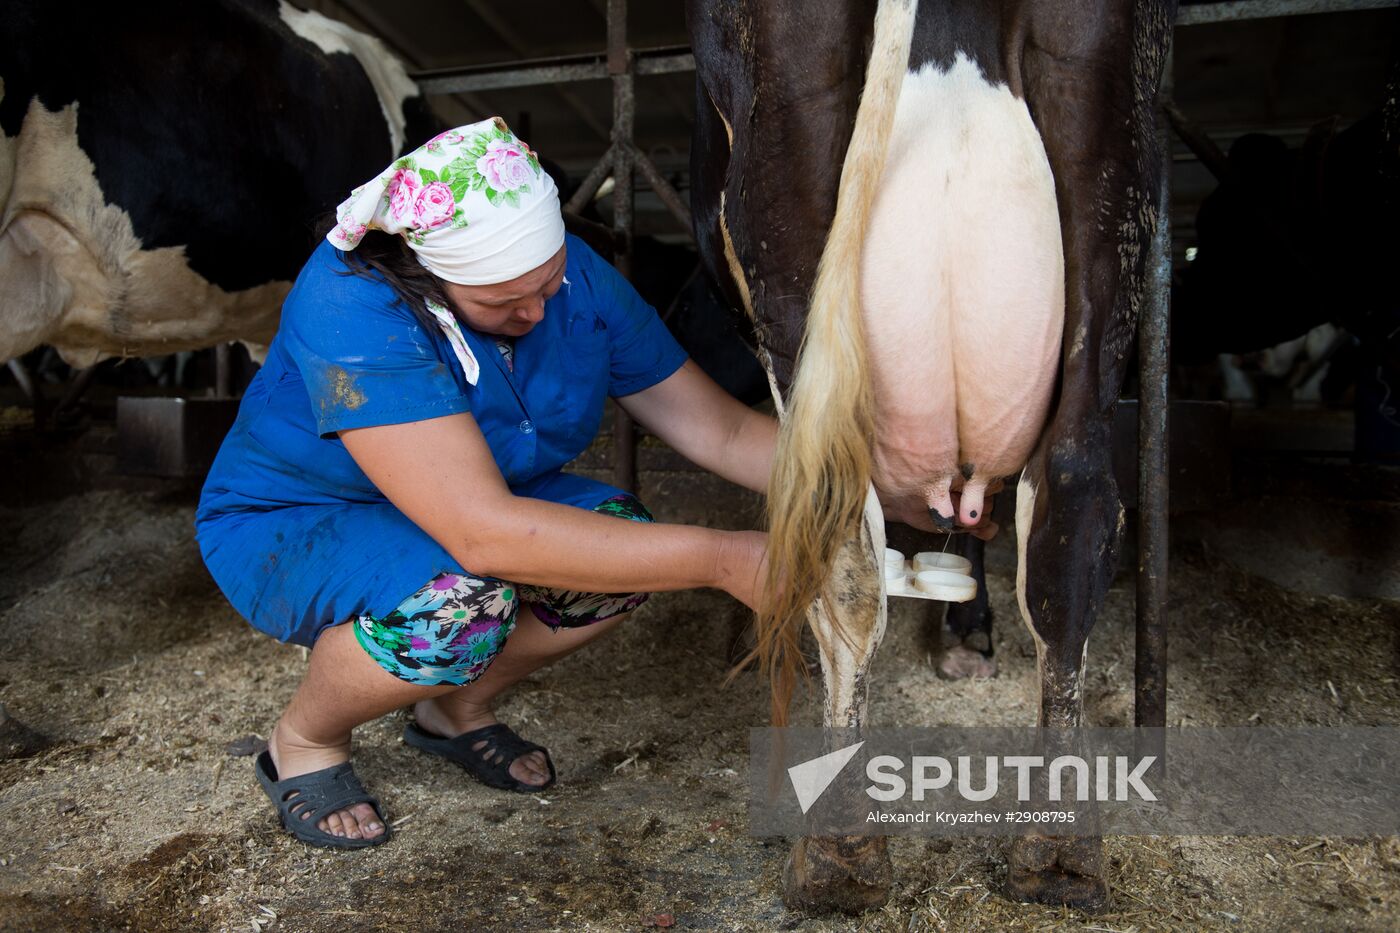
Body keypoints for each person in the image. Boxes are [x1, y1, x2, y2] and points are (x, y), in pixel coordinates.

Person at [195, 118, 776, 849]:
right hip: (308, 514)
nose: (538, 312)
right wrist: (729, 559)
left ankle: (454, 710)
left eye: (550, 281)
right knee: (461, 603)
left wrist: (871, 481)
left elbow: (717, 429)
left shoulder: (567, 276)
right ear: (424, 274)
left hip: (476, 503)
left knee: (626, 546)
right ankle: (305, 740)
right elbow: (483, 533)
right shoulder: (350, 300)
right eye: (505, 305)